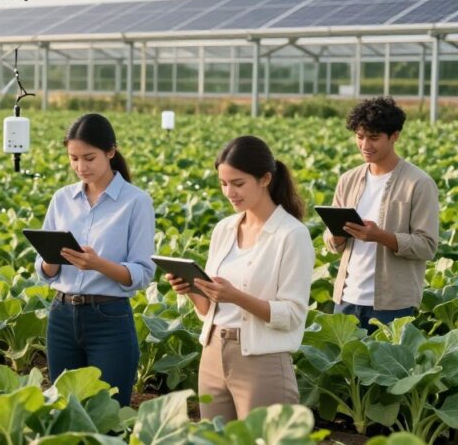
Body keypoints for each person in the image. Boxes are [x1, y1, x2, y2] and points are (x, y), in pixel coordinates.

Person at [167, 135, 313, 421]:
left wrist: (236, 296)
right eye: (223, 184)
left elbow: (293, 314)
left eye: (238, 183)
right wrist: (191, 290)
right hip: (212, 354)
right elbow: (211, 309)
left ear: (265, 179)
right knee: (214, 439)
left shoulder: (292, 235)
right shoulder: (224, 229)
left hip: (261, 360)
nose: (229, 192)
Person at [34, 113, 156, 407]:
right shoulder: (61, 198)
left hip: (109, 318)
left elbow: (142, 274)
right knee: (66, 410)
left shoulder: (136, 202)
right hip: (61, 316)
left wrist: (97, 264)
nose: (80, 167)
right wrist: (51, 259)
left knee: (108, 413)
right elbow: (44, 270)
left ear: (110, 152)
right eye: (73, 159)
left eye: (89, 158)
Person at [323, 96, 438, 332]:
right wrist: (337, 235)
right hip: (346, 299)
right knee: (342, 369)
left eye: (374, 138)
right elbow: (331, 243)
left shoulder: (418, 183)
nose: (365, 145)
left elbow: (427, 246)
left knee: (388, 368)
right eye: (360, 136)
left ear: (394, 135)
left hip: (392, 305)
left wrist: (380, 236)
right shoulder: (348, 180)